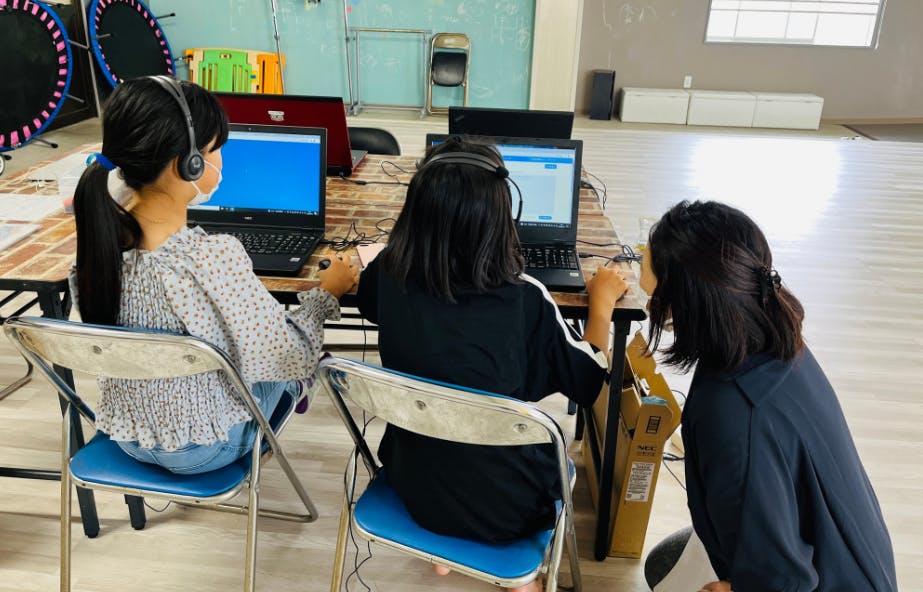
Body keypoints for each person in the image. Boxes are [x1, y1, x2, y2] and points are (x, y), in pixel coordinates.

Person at [356, 138, 627, 591]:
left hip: (415, 488)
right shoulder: (525, 299)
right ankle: (515, 576)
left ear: (414, 212)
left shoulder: (386, 272)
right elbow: (587, 381)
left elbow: (369, 303)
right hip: (508, 509)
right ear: (505, 215)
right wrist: (601, 306)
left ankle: (446, 550)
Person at [70, 76, 357, 474]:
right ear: (187, 163)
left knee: (237, 346)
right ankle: (298, 390)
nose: (222, 158)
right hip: (204, 449)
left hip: (128, 436)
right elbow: (285, 355)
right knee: (294, 357)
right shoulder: (209, 258)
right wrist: (326, 297)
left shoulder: (97, 248)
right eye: (215, 148)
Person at [639, 201, 897, 592]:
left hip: (818, 578)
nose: (653, 311)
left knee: (665, 568)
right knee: (665, 561)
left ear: (688, 305)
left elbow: (783, 580)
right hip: (847, 556)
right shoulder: (774, 334)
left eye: (656, 301)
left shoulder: (733, 417)